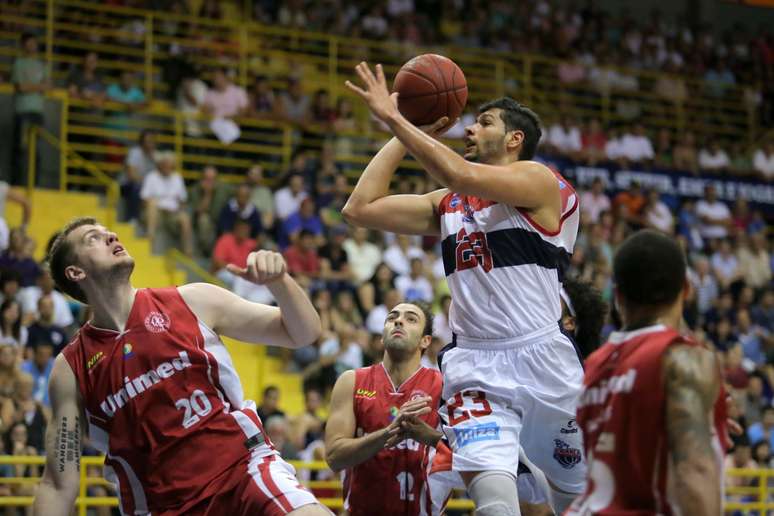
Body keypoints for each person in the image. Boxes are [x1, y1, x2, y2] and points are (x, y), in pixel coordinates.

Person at [343, 63, 584, 514]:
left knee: (575, 496)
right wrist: (403, 132)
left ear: (515, 139)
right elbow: (360, 208)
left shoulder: (540, 180)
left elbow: (462, 174)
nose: (469, 127)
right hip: (475, 363)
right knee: (493, 500)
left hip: (543, 357)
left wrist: (393, 117)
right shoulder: (448, 203)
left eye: (485, 121)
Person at [33, 217, 330, 516]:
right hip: (162, 507)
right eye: (92, 238)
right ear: (76, 272)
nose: (110, 236)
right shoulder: (71, 368)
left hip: (244, 472)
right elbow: (59, 484)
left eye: (107, 231)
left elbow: (303, 333)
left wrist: (279, 282)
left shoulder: (193, 300)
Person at [567, 230, 728, 515]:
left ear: (616, 295)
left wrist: (707, 414)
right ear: (688, 290)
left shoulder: (595, 363)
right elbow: (696, 470)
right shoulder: (681, 358)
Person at [324, 301, 442, 515]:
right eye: (392, 317)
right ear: (382, 337)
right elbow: (334, 457)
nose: (398, 321)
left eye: (411, 319)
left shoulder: (443, 386)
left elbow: (468, 455)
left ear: (426, 341)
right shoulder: (351, 381)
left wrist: (430, 437)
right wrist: (389, 433)